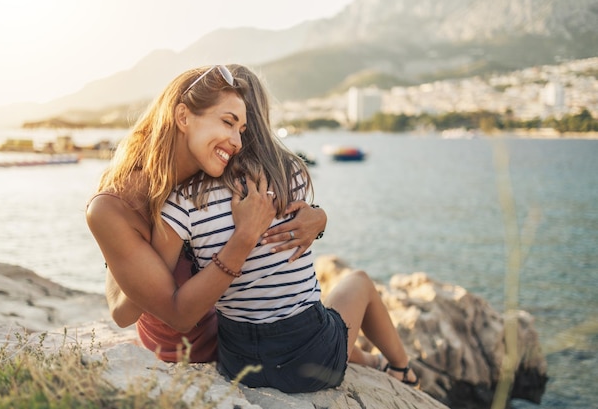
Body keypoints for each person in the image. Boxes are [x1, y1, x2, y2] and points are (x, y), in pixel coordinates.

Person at [151, 63, 420, 392]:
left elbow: (162, 287)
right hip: (309, 355)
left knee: (329, 331)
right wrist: (318, 217)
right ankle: (401, 369)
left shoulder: (180, 200)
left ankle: (376, 362)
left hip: (238, 362)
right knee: (359, 283)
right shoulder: (289, 173)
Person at [86, 63, 327, 363]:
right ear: (183, 116)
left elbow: (269, 210)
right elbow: (123, 313)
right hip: (195, 346)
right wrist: (116, 256)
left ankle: (374, 362)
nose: (239, 143)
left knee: (320, 326)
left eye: (243, 130)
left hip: (236, 335)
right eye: (229, 123)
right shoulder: (118, 203)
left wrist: (317, 217)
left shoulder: (207, 177)